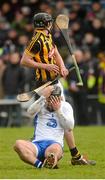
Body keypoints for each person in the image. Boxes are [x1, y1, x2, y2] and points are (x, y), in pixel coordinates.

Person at [14, 85, 96, 168]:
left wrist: (58, 110)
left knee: (52, 152)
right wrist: (42, 98)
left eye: (54, 100)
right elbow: (30, 113)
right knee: (18, 144)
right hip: (36, 145)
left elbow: (69, 127)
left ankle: (50, 160)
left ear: (59, 98)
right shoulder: (41, 103)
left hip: (54, 144)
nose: (50, 103)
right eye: (48, 99)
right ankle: (40, 165)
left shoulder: (65, 106)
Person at [20, 12, 68, 99]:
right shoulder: (36, 41)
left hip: (54, 80)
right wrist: (46, 66)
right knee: (48, 110)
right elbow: (24, 61)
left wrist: (62, 66)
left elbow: (56, 52)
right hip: (43, 83)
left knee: (60, 107)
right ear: (48, 24)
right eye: (50, 22)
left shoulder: (48, 35)